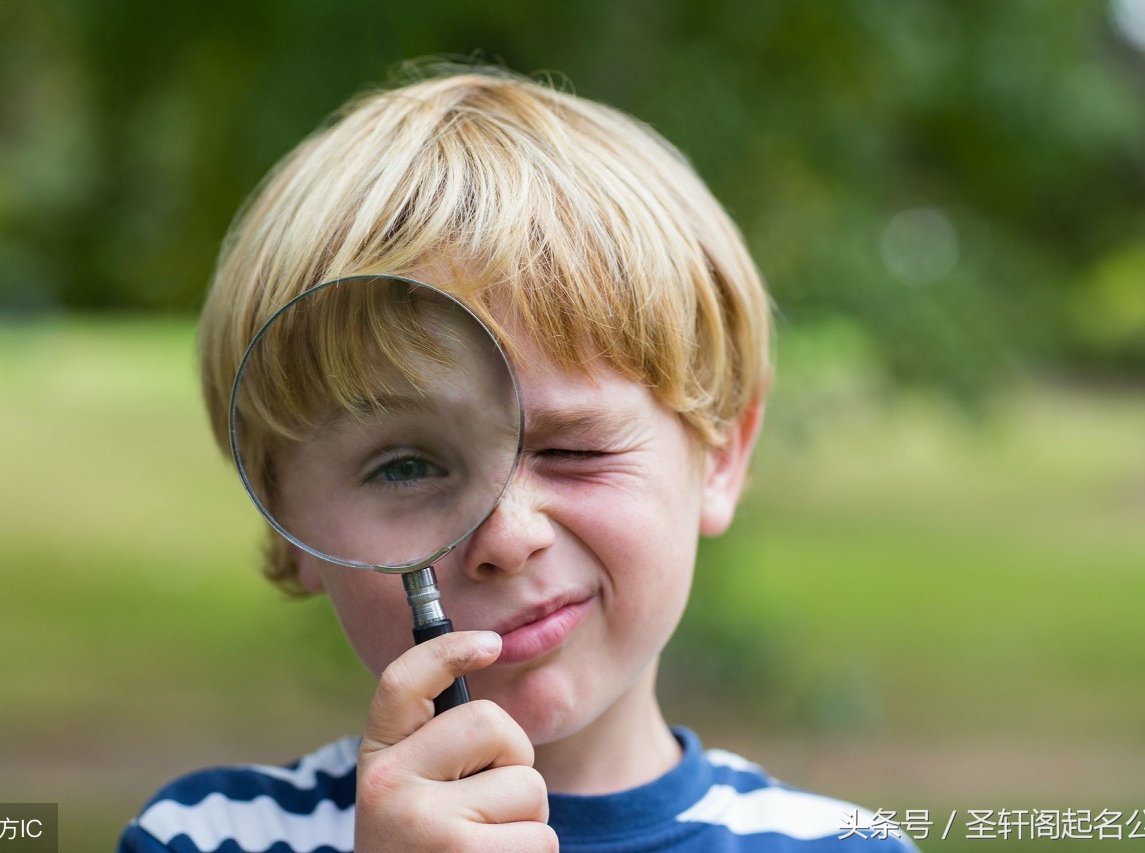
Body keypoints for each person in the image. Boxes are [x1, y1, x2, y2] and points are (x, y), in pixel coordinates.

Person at [118, 66, 918, 852]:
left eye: (572, 450)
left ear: (722, 456)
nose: (506, 535)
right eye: (404, 466)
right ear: (287, 524)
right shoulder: (207, 836)